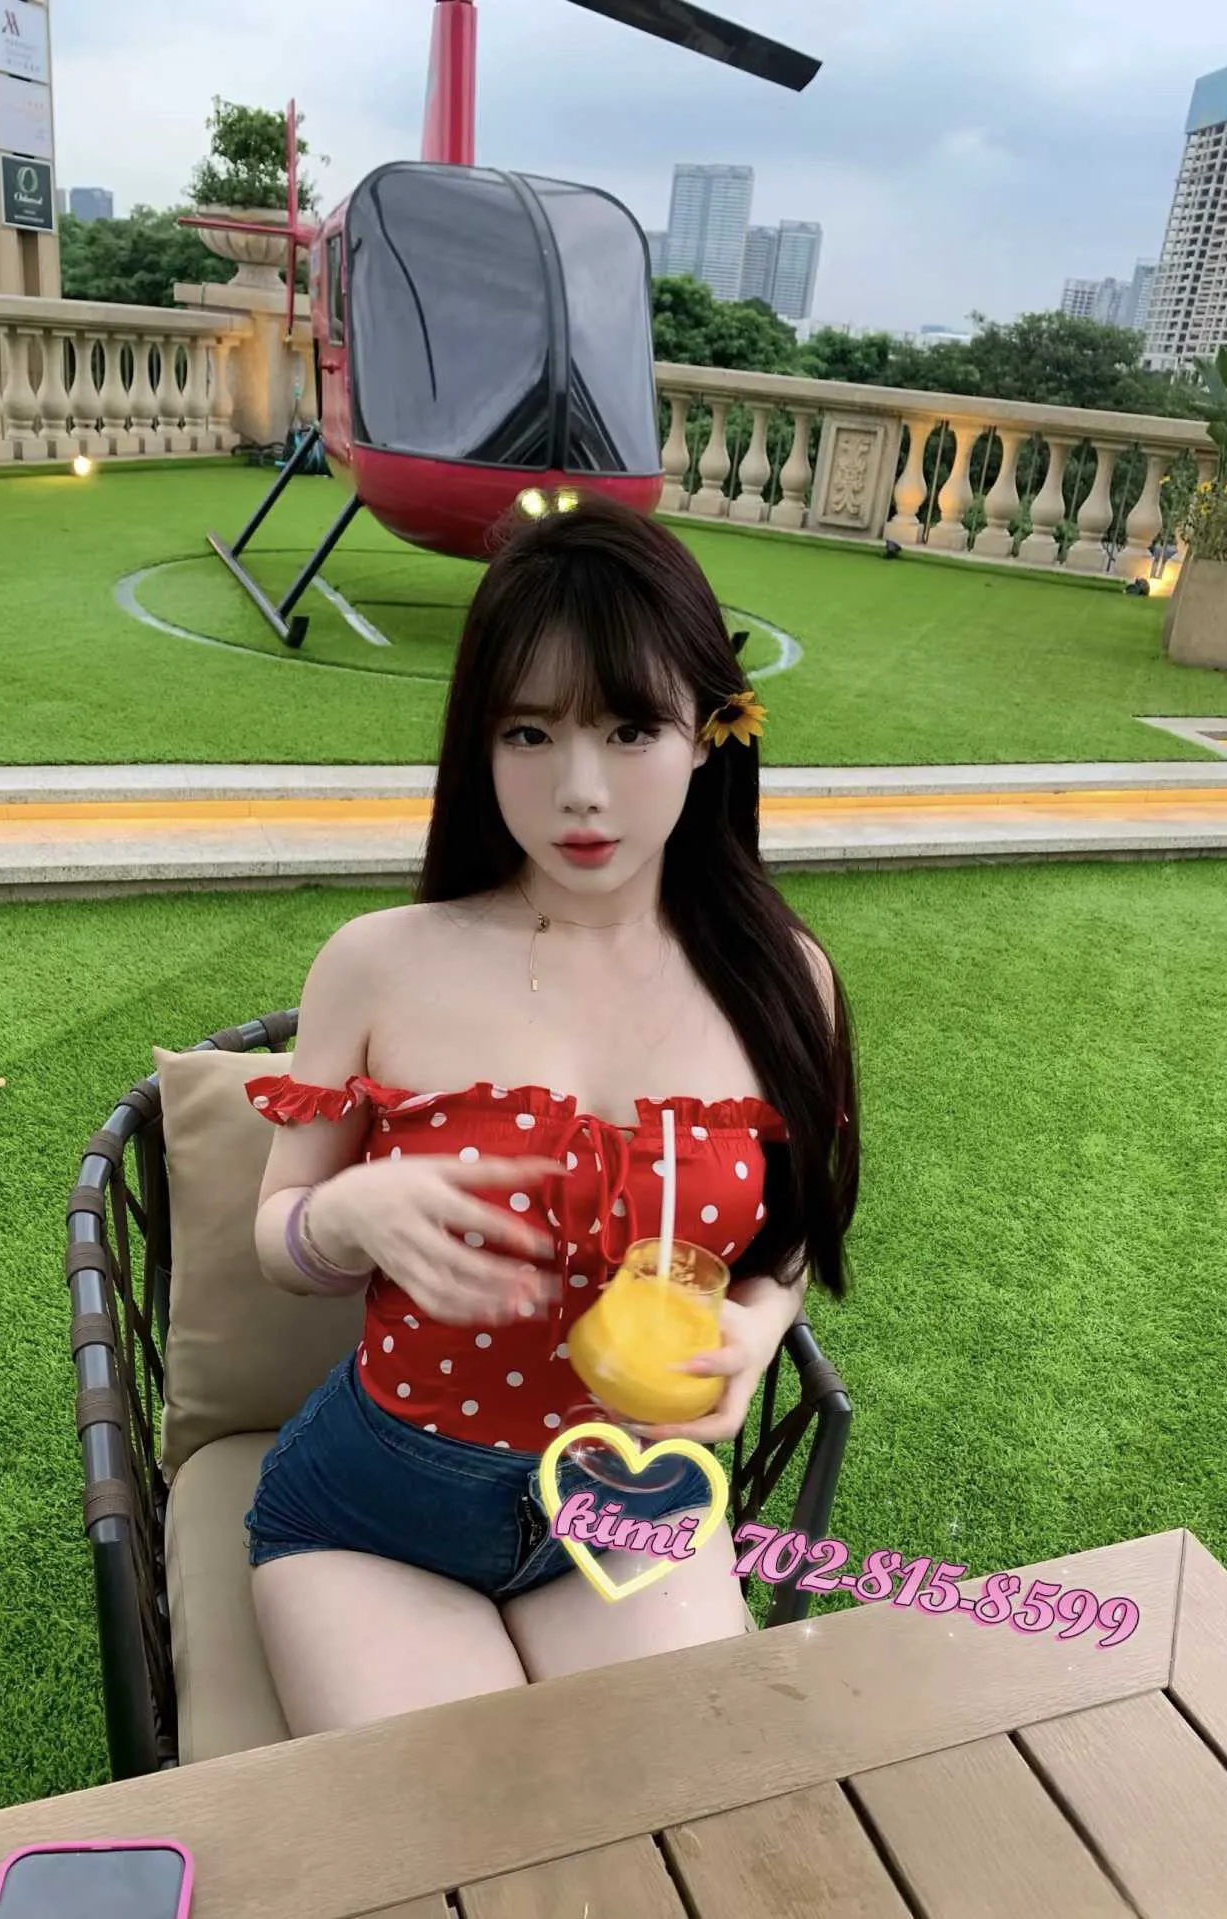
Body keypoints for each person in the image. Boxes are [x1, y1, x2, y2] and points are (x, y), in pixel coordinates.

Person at [242, 490, 860, 1738]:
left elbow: (785, 1241)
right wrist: (344, 1213)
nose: (580, 790)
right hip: (377, 1508)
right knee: (460, 1814)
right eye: (528, 731)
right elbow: (277, 1233)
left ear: (709, 732)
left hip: (628, 1500)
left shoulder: (781, 977)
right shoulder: (376, 961)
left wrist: (754, 1326)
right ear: (478, 741)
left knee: (675, 1790)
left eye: (630, 729)